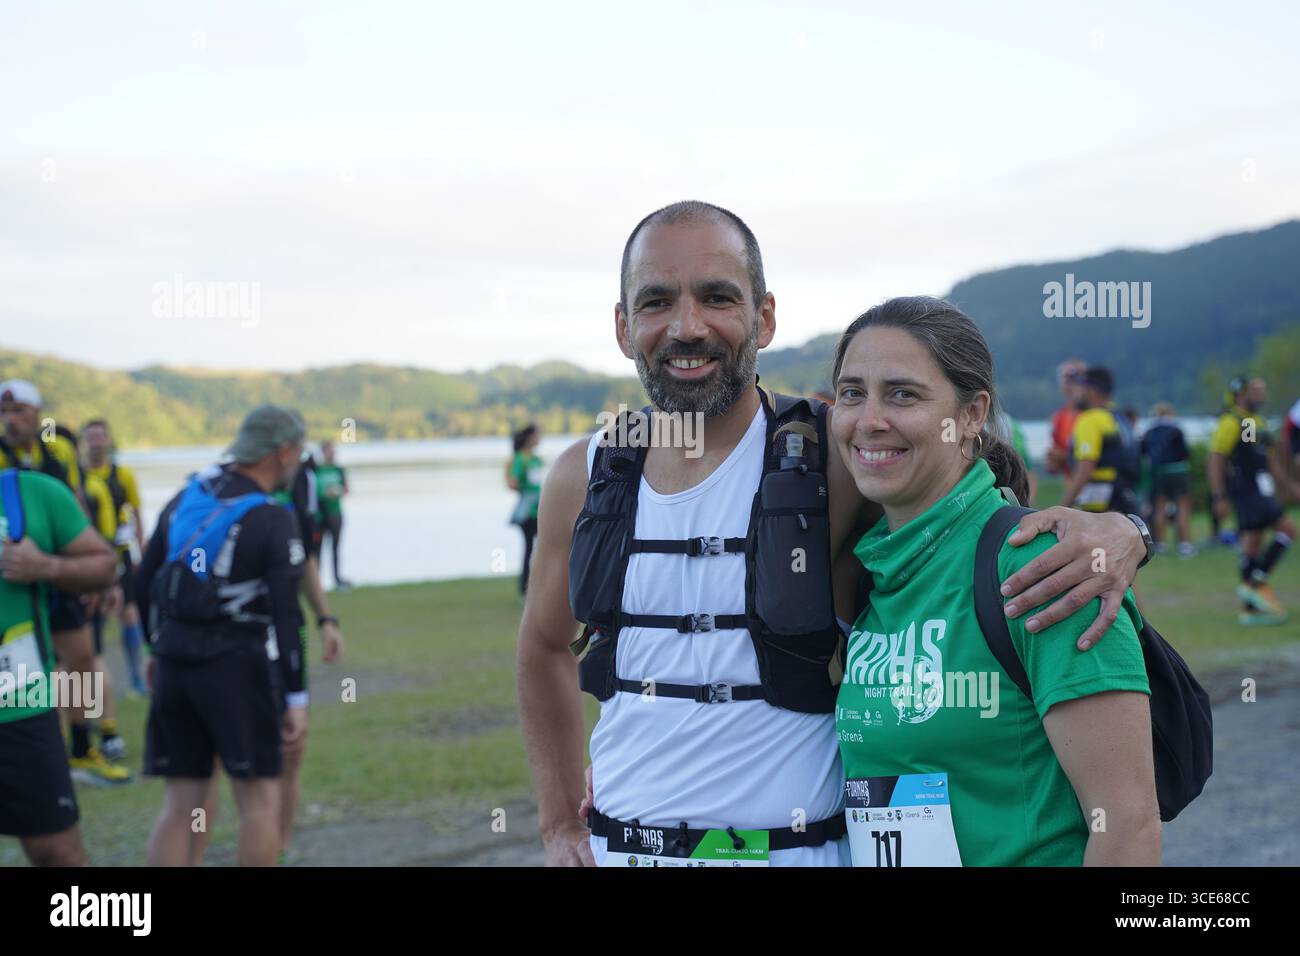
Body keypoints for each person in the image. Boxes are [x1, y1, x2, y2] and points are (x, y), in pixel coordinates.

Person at [516, 200, 1151, 867]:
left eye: (717, 297)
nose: (686, 326)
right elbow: (541, 643)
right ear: (622, 326)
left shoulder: (830, 458)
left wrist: (1124, 530)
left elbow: (958, 497)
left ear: (764, 316)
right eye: (655, 302)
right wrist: (559, 821)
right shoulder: (583, 476)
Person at [830, 297, 1158, 865]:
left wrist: (1133, 531)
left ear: (973, 414)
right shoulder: (873, 569)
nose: (869, 419)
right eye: (852, 392)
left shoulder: (1043, 567)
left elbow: (1127, 827)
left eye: (903, 394)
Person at [136, 405, 311, 866]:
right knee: (258, 802)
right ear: (284, 452)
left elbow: (142, 580)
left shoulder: (186, 498)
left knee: (180, 805)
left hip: (175, 660)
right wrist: (296, 697)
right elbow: (287, 616)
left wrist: (157, 647)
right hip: (237, 667)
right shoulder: (272, 517)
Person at [0, 380, 128, 786]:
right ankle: (47, 751)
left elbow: (75, 506)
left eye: (19, 411)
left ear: (38, 413)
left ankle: (82, 746)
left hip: (57, 570)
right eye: (4, 413)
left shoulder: (59, 450)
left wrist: (94, 573)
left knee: (83, 658)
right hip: (16, 581)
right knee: (31, 667)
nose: (11, 420)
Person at [0, 467, 117, 865]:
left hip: (21, 703)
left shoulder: (31, 490)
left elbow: (104, 564)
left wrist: (47, 567)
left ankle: (88, 740)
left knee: (58, 851)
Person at [1208, 377, 1299, 626]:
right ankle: (1256, 584)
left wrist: (1289, 486)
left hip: (1259, 491)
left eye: (1263, 391)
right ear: (1240, 394)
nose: (1262, 396)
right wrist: (1219, 496)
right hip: (1247, 492)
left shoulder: (1255, 422)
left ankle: (1250, 610)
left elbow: (1266, 460)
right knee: (1289, 530)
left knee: (1251, 545)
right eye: (1256, 391)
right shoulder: (1232, 421)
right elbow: (1216, 459)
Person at [81, 419, 148, 697]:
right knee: (92, 614)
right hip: (86, 555)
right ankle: (92, 679)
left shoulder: (123, 475)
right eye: (91, 437)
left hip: (120, 553)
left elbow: (137, 513)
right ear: (85, 442)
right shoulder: (79, 476)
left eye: (101, 437)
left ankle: (137, 678)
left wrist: (142, 552)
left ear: (108, 441)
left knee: (129, 614)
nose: (97, 442)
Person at [1061, 367, 1140, 515]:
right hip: (1127, 501)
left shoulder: (1090, 419)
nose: (1075, 395)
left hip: (1102, 510)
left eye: (1079, 389)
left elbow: (1086, 469)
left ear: (1093, 391)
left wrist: (1063, 508)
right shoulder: (1119, 418)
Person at [1141, 403, 1195, 558]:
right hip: (1178, 470)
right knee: (1182, 506)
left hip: (1158, 472)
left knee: (1159, 507)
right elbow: (1185, 452)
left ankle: (1160, 543)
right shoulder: (1176, 429)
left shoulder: (1149, 431)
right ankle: (1184, 544)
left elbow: (1144, 452)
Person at [507, 424, 542, 594]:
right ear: (529, 438)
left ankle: (536, 587)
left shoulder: (536, 459)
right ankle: (525, 589)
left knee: (543, 548)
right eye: (537, 435)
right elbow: (513, 482)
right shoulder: (521, 459)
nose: (540, 438)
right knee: (530, 549)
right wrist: (528, 493)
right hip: (528, 513)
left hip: (541, 511)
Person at [314, 440, 350, 590]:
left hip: (335, 513)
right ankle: (316, 583)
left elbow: (347, 489)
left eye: (333, 450)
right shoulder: (316, 470)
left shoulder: (338, 469)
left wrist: (337, 491)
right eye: (329, 450)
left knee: (335, 549)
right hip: (319, 516)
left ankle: (337, 580)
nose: (332, 453)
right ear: (323, 453)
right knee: (317, 550)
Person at [1044, 359, 1086, 477]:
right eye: (1066, 378)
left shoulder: (1094, 414)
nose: (1071, 384)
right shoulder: (1059, 417)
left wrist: (1063, 455)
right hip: (1073, 486)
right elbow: (1054, 467)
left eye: (1076, 377)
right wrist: (1052, 459)